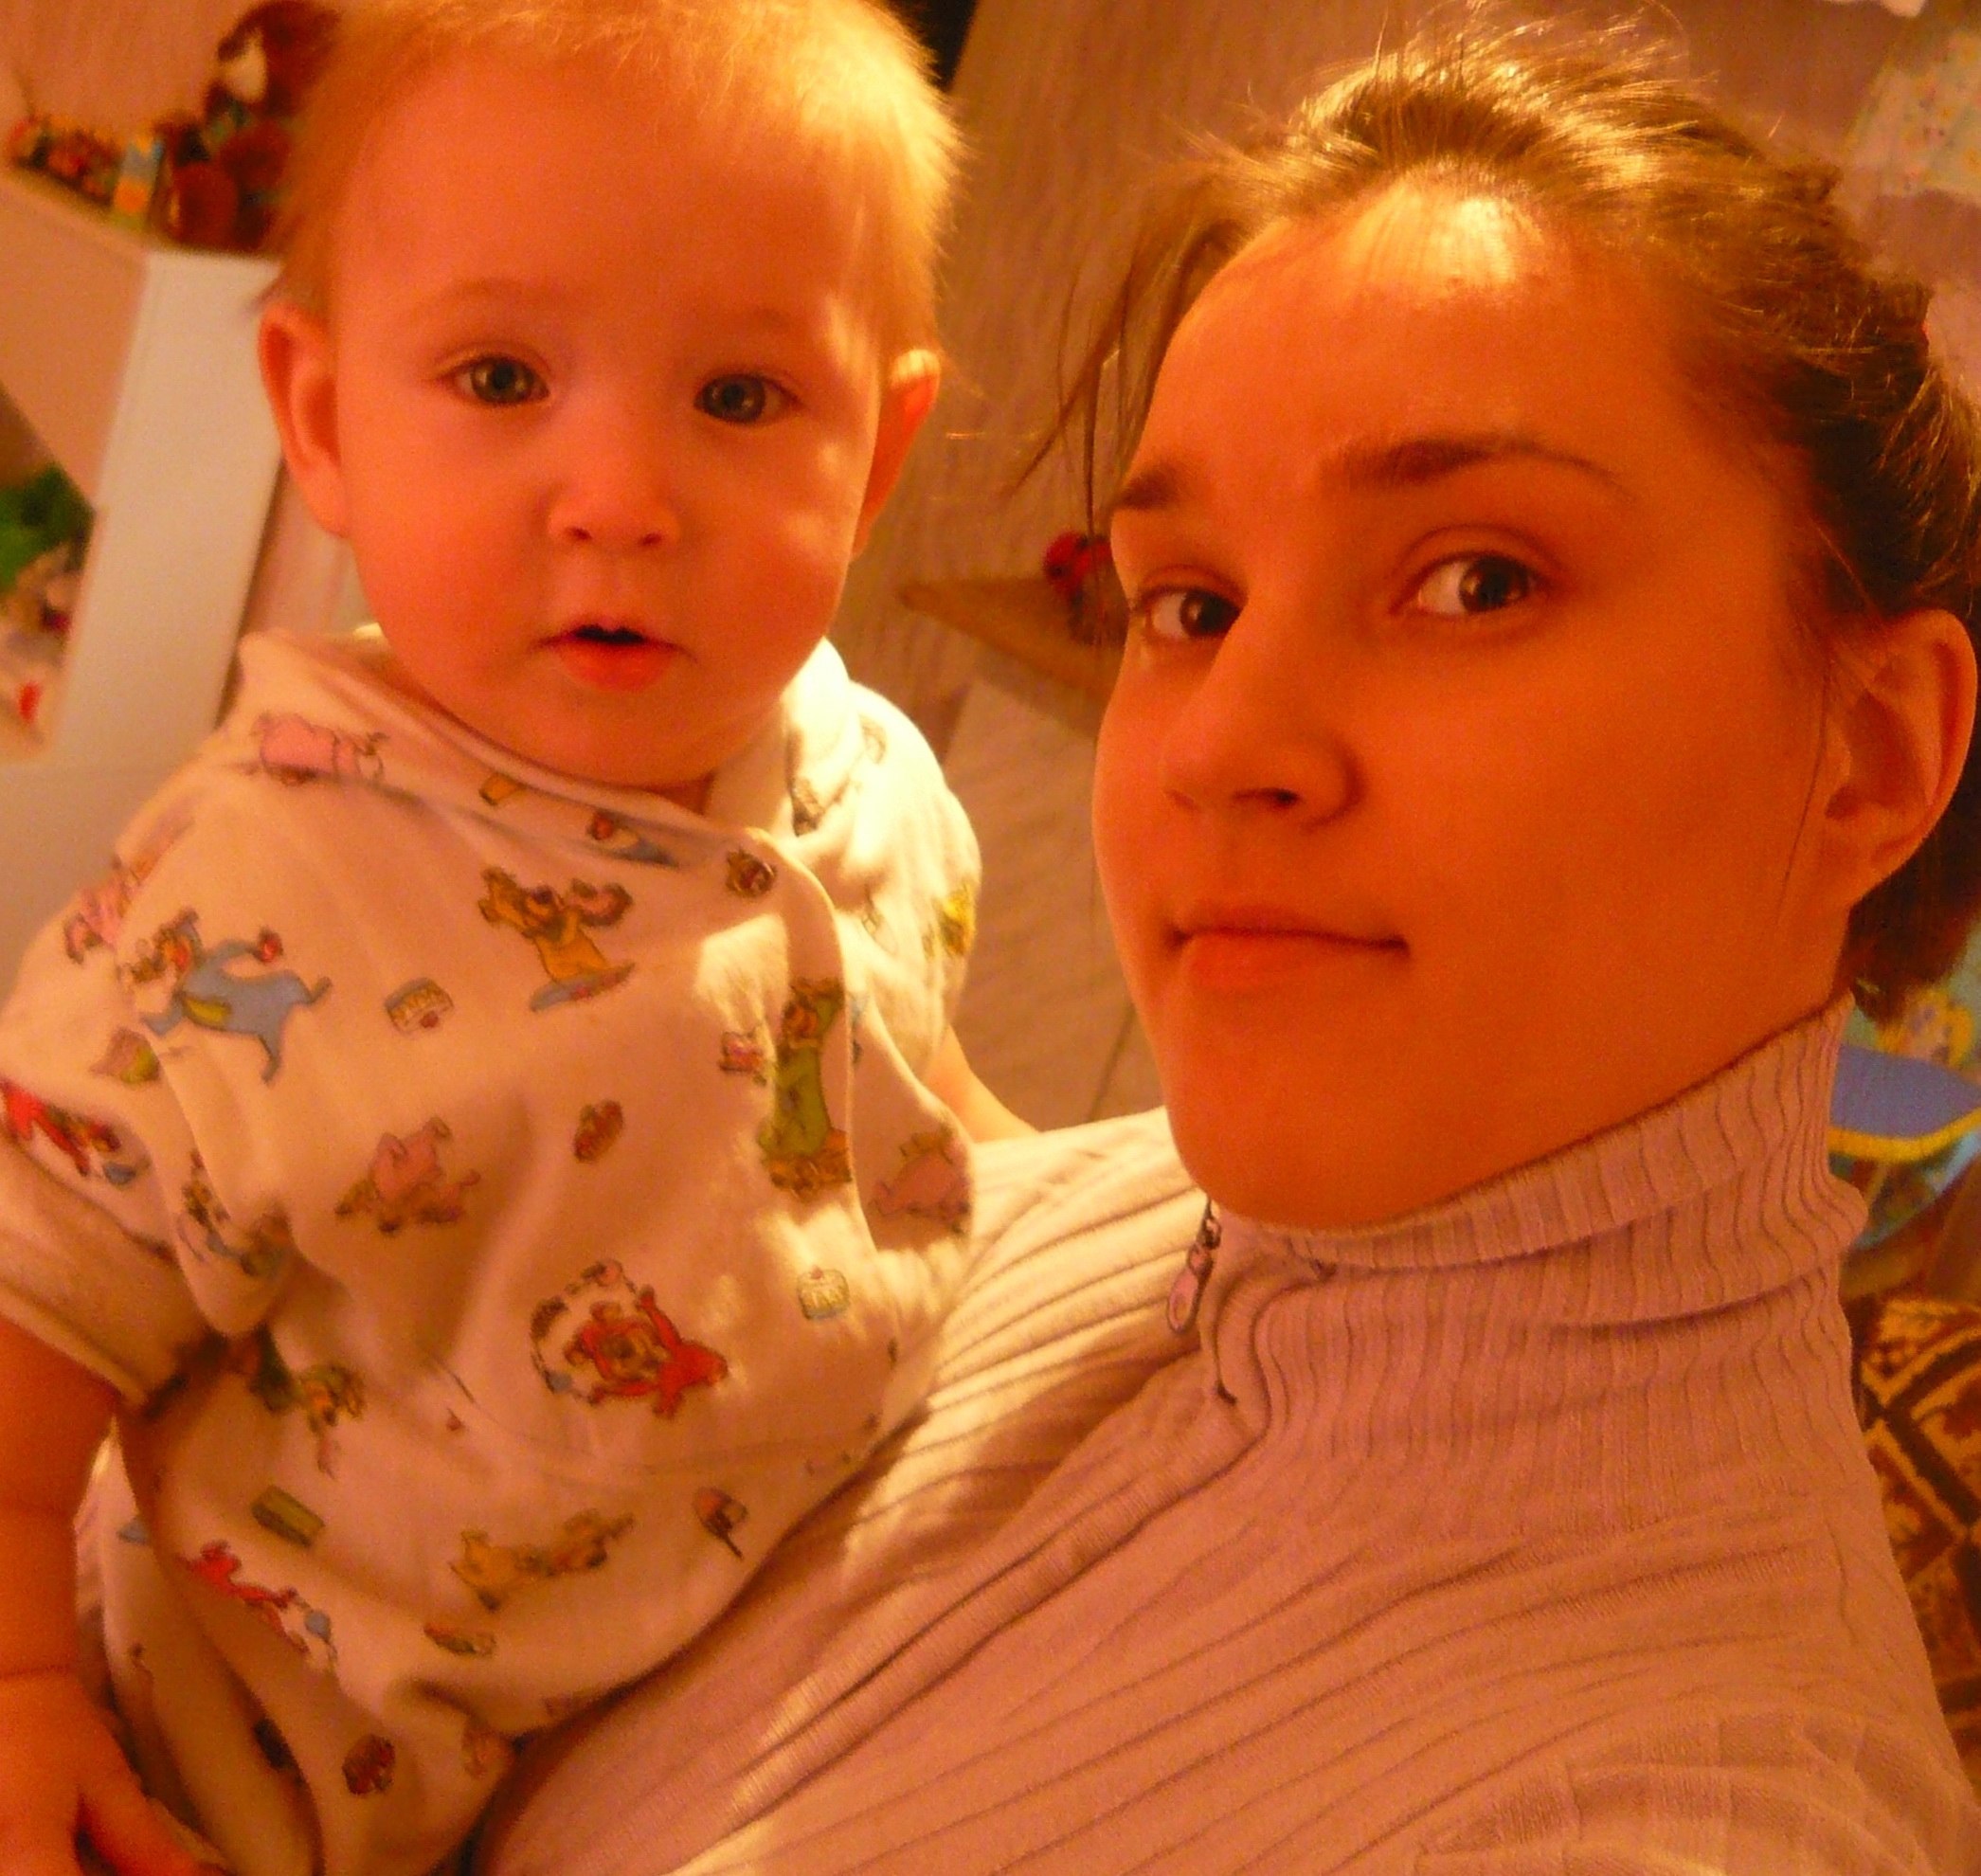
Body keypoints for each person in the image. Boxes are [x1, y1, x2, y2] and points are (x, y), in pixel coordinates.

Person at [466, 17, 1981, 1873]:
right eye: (1187, 604)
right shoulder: (1074, 1223)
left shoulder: (1685, 1819)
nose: (1221, 745)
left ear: (1869, 753)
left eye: (1475, 581)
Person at [0, 2, 1025, 1871]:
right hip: (225, 1766)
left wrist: (1090, 1211)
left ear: (874, 457)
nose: (621, 502)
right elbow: (27, 1294)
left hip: (690, 1728)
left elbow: (916, 1076)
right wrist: (16, 1691)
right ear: (325, 421)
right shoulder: (256, 882)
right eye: (498, 379)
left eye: (739, 400)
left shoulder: (875, 783)